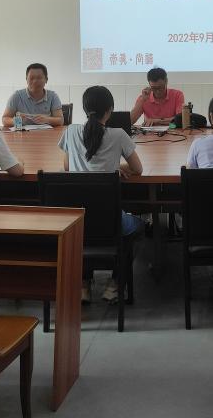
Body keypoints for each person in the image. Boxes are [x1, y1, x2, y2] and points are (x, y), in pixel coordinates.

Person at [58, 86, 143, 303]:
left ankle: (84, 285)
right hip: (110, 221)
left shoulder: (71, 131)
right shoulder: (118, 134)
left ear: (85, 109)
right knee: (138, 226)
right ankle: (114, 285)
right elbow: (138, 169)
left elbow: (67, 167)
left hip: (76, 221)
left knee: (86, 232)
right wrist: (115, 167)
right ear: (110, 109)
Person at [2, 63, 64, 128]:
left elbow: (60, 120)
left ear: (46, 80)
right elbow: (5, 119)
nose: (35, 81)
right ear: (26, 79)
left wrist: (47, 119)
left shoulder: (53, 96)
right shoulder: (17, 96)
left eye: (39, 78)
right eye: (31, 78)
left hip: (46, 133)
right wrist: (17, 121)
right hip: (22, 133)